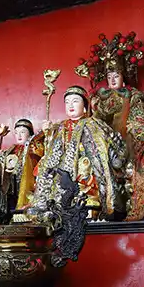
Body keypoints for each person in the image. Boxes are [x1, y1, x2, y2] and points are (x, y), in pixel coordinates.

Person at [30, 85, 127, 219]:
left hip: (85, 173)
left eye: (75, 101)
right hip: (61, 174)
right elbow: (49, 154)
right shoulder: (59, 127)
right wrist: (46, 133)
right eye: (67, 102)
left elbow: (105, 151)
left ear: (85, 106)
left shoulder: (94, 124)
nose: (70, 105)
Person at [0, 119, 45, 214]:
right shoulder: (12, 149)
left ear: (30, 133)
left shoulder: (34, 147)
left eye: (22, 132)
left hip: (27, 183)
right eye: (16, 133)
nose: (19, 135)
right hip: (11, 184)